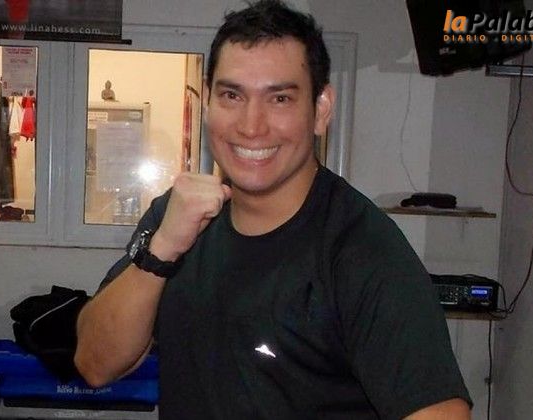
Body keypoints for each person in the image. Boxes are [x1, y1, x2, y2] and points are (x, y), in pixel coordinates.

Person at [75, 1, 472, 418]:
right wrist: (161, 251)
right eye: (232, 95)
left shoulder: (362, 251)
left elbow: (443, 413)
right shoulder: (174, 219)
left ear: (321, 110)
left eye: (279, 98)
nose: (251, 125)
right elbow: (94, 364)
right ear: (208, 102)